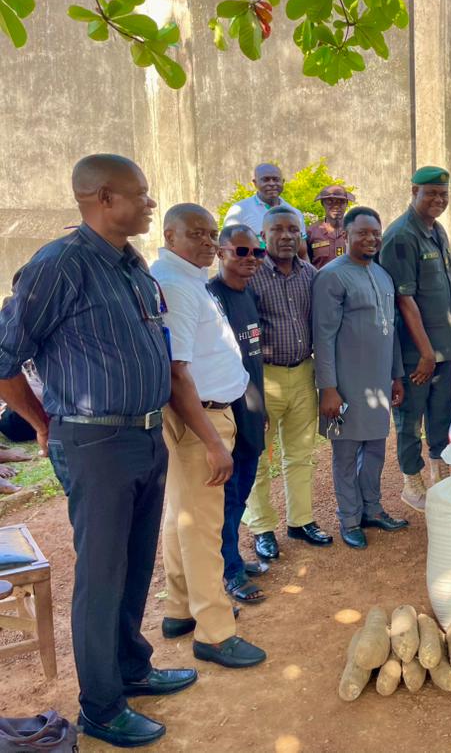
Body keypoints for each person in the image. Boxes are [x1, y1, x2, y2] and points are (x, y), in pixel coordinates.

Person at [0, 155, 190, 748]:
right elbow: (5, 357)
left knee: (136, 566)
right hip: (95, 441)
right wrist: (41, 421)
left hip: (142, 434)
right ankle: (102, 707)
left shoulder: (131, 264)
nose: (151, 203)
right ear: (104, 198)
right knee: (101, 578)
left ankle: (131, 668)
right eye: (141, 193)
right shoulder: (59, 265)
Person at [151, 204, 266, 669]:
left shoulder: (186, 278)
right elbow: (178, 371)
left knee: (182, 517)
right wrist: (214, 442)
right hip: (201, 419)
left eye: (211, 233)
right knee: (202, 526)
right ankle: (215, 633)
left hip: (206, 415)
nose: (207, 242)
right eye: (195, 233)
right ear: (169, 234)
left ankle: (179, 608)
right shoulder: (177, 286)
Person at [313, 207, 409, 550]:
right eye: (362, 233)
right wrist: (328, 389)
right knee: (345, 452)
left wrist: (396, 375)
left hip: (378, 383)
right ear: (347, 235)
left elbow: (391, 330)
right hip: (345, 386)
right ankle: (349, 519)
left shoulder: (382, 275)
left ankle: (372, 509)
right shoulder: (333, 277)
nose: (370, 239)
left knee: (375, 450)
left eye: (375, 233)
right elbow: (322, 337)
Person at [245, 207, 331, 559]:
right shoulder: (250, 276)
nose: (286, 236)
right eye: (277, 229)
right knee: (258, 458)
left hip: (302, 373)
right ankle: (262, 527)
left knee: (300, 454)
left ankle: (301, 520)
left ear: (301, 235)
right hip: (263, 377)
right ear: (263, 235)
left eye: (293, 230)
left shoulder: (310, 274)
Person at [380, 166, 451, 511]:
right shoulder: (401, 235)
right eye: (431, 193)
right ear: (414, 191)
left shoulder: (436, 230)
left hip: (444, 348)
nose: (438, 200)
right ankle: (413, 484)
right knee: (410, 419)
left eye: (443, 194)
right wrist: (425, 352)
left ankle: (440, 480)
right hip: (417, 352)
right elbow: (404, 299)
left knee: (441, 416)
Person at [208, 225, 270, 604]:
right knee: (226, 496)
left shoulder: (248, 295)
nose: (251, 259)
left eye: (256, 252)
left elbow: (252, 360)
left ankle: (231, 557)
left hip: (250, 410)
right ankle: (228, 570)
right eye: (242, 251)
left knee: (242, 491)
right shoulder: (210, 298)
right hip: (224, 415)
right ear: (222, 252)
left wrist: (259, 409)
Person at [223, 162, 308, 259]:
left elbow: (302, 252)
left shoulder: (294, 213)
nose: (272, 184)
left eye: (276, 180)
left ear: (283, 182)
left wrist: (308, 273)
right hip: (253, 272)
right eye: (266, 180)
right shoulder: (239, 210)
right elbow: (227, 249)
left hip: (287, 273)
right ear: (255, 183)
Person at [306, 185, 354, 269]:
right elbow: (305, 262)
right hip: (321, 281)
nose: (336, 205)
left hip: (349, 281)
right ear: (322, 204)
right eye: (330, 201)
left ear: (346, 204)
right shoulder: (311, 232)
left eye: (341, 202)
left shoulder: (354, 230)